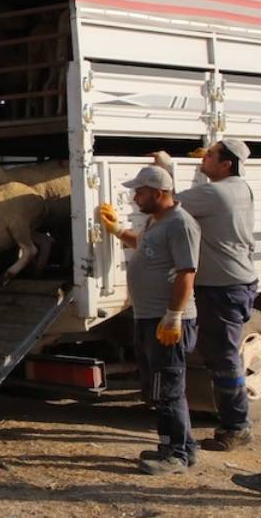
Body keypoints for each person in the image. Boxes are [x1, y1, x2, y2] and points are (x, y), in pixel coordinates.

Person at [155, 139, 257, 452]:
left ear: (226, 164)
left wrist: (165, 168)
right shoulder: (240, 187)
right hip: (236, 282)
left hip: (223, 287)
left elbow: (170, 204)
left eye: (210, 155)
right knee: (220, 355)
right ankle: (234, 423)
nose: (204, 157)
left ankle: (237, 426)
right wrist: (200, 170)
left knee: (224, 358)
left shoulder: (216, 193)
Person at [98, 165, 201, 475]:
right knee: (161, 385)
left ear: (158, 193)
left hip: (165, 321)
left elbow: (187, 273)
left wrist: (173, 316)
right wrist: (117, 231)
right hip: (148, 317)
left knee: (168, 387)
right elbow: (142, 246)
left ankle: (175, 454)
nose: (134, 196)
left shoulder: (181, 225)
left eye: (140, 192)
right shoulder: (156, 221)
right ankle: (184, 446)